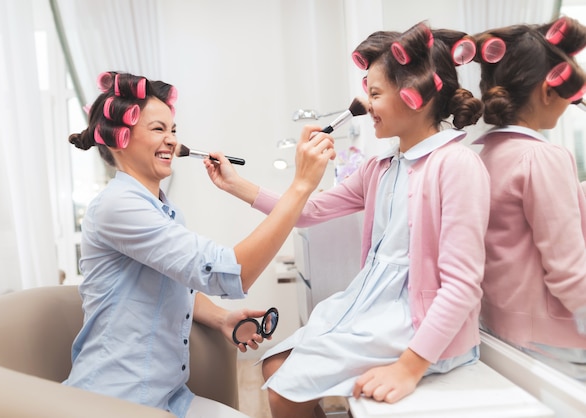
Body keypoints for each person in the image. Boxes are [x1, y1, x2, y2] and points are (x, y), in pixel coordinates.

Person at [205, 22, 490, 417]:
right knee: (274, 365)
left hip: (414, 324)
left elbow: (462, 285)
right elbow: (308, 212)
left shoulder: (457, 165)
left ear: (417, 96)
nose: (366, 104)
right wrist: (236, 185)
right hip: (371, 308)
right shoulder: (381, 167)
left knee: (283, 390)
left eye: (375, 93)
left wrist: (409, 367)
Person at [63, 71, 336, 418]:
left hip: (171, 397)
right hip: (119, 402)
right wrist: (300, 187)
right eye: (158, 129)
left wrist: (222, 318)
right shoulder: (118, 206)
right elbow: (229, 272)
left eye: (173, 130)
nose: (172, 142)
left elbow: (172, 283)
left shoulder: (161, 209)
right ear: (120, 139)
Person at [472, 16, 586, 380]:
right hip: (553, 341)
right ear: (547, 91)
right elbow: (569, 272)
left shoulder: (483, 155)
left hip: (498, 327)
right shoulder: (542, 157)